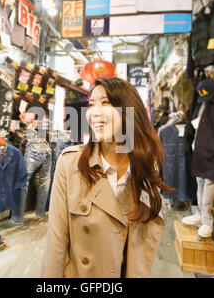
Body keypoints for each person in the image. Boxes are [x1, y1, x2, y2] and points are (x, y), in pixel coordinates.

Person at [42, 77, 172, 278]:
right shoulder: (70, 164)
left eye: (106, 102)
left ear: (129, 111)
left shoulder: (146, 166)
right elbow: (56, 244)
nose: (94, 112)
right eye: (91, 104)